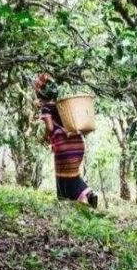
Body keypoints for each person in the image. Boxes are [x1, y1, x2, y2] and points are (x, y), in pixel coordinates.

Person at [34, 73, 98, 208]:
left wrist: (45, 136)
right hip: (78, 144)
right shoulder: (64, 106)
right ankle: (88, 194)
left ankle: (65, 201)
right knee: (73, 174)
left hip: (64, 147)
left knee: (62, 175)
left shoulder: (46, 107)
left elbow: (50, 127)